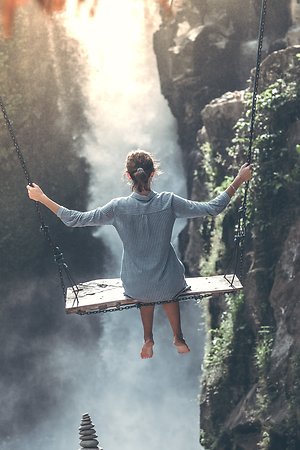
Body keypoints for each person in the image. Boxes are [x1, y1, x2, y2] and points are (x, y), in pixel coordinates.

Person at [27, 150, 252, 359]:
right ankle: (178, 337)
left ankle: (148, 338)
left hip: (136, 285)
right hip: (169, 282)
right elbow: (213, 208)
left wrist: (42, 198)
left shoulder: (117, 207)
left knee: (145, 288)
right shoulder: (169, 202)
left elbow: (74, 219)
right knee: (168, 283)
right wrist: (239, 180)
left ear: (127, 175)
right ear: (154, 173)